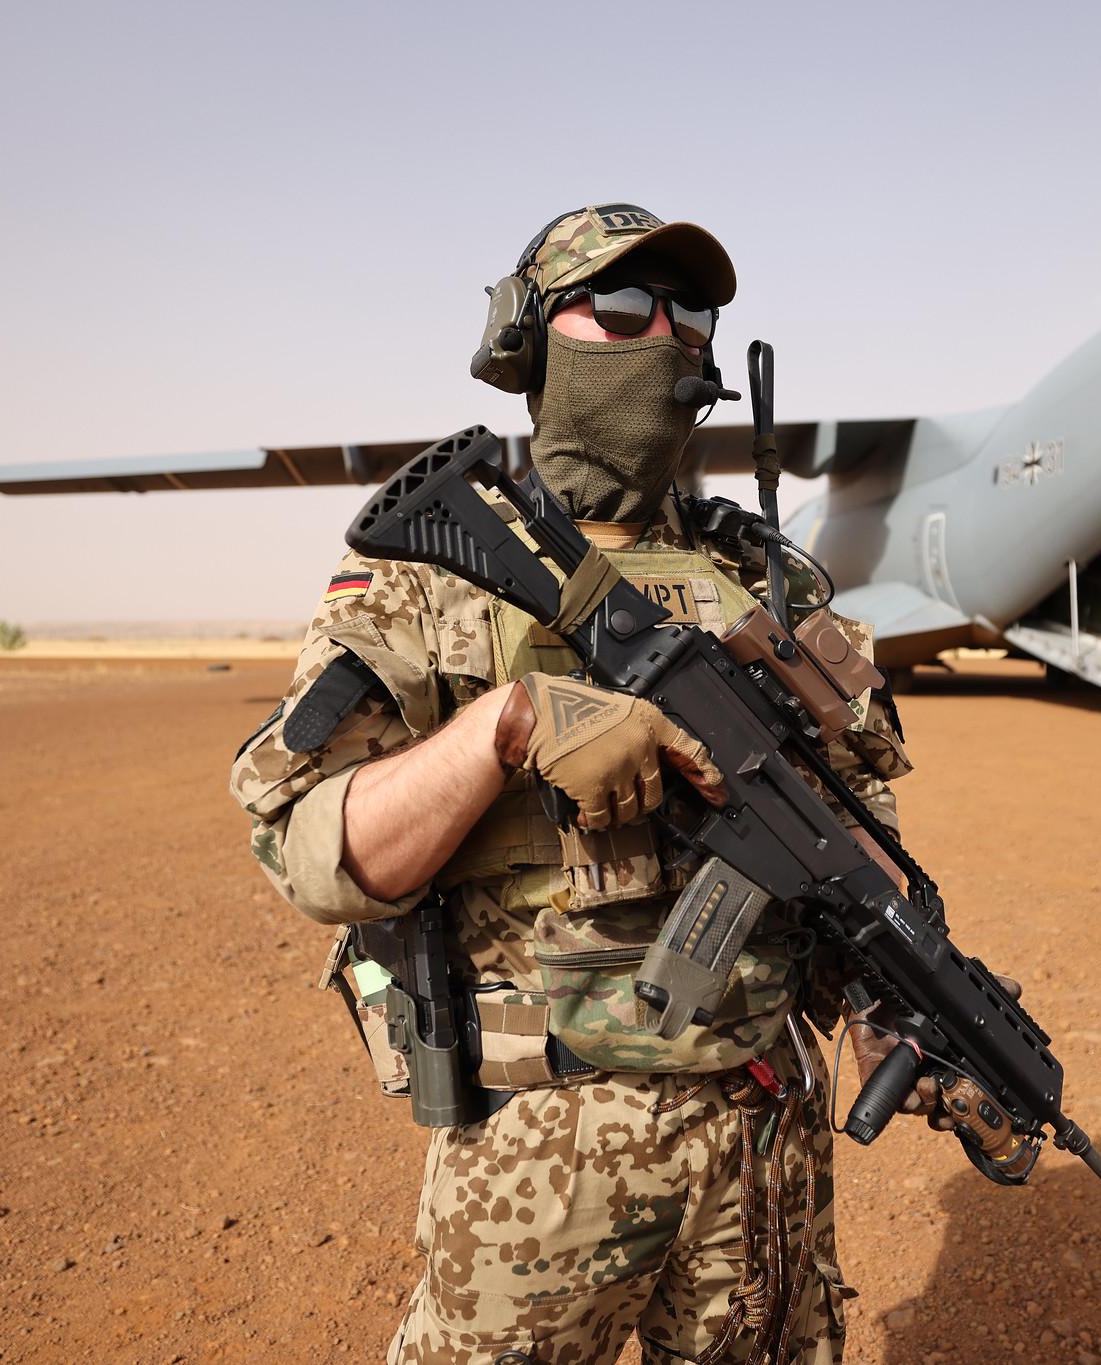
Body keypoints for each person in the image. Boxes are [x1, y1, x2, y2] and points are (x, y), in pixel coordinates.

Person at [230, 204, 924, 1364]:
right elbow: (310, 850)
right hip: (538, 1154)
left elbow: (854, 822)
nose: (665, 333)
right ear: (524, 339)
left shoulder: (768, 581)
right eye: (619, 305)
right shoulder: (428, 572)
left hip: (762, 1133)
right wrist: (506, 723)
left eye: (689, 312)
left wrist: (896, 996)